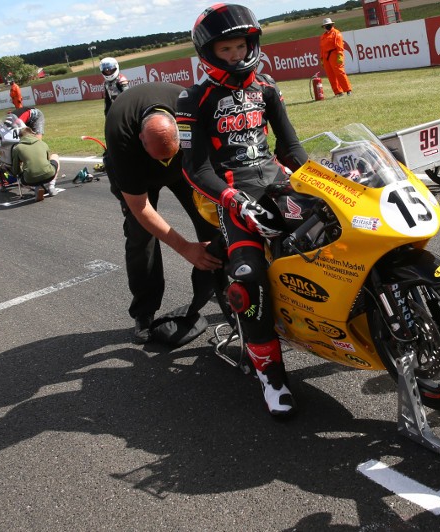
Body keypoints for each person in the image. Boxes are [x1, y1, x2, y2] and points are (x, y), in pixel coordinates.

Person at [178, 3, 308, 417]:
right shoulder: (192, 99)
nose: (235, 56)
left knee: (334, 239)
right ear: (208, 53)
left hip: (278, 184)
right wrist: (232, 199)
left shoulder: (267, 86)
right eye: (226, 50)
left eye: (241, 46)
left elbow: (290, 147)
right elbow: (193, 168)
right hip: (232, 199)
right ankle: (271, 376)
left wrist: (325, 180)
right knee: (249, 280)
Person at [104, 81, 225, 344]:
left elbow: (215, 162)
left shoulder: (191, 108)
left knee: (213, 221)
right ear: (140, 139)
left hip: (185, 165)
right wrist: (185, 248)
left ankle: (221, 283)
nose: (164, 164)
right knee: (141, 237)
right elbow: (141, 207)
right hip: (138, 172)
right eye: (158, 156)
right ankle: (144, 313)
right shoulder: (121, 132)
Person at [10, 126, 59, 202]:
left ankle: (37, 186)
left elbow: (16, 170)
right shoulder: (42, 143)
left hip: (30, 180)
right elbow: (48, 160)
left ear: (20, 137)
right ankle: (51, 187)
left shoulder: (17, 148)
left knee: (29, 173)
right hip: (49, 175)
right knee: (55, 156)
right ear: (32, 133)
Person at [319, 17, 353, 97]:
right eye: (326, 25)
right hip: (326, 57)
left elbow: (339, 46)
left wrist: (340, 55)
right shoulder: (323, 36)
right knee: (330, 75)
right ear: (324, 27)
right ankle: (338, 92)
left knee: (340, 72)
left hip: (334, 54)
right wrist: (322, 58)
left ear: (331, 24)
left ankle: (348, 90)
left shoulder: (336, 33)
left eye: (328, 25)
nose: (327, 26)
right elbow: (322, 48)